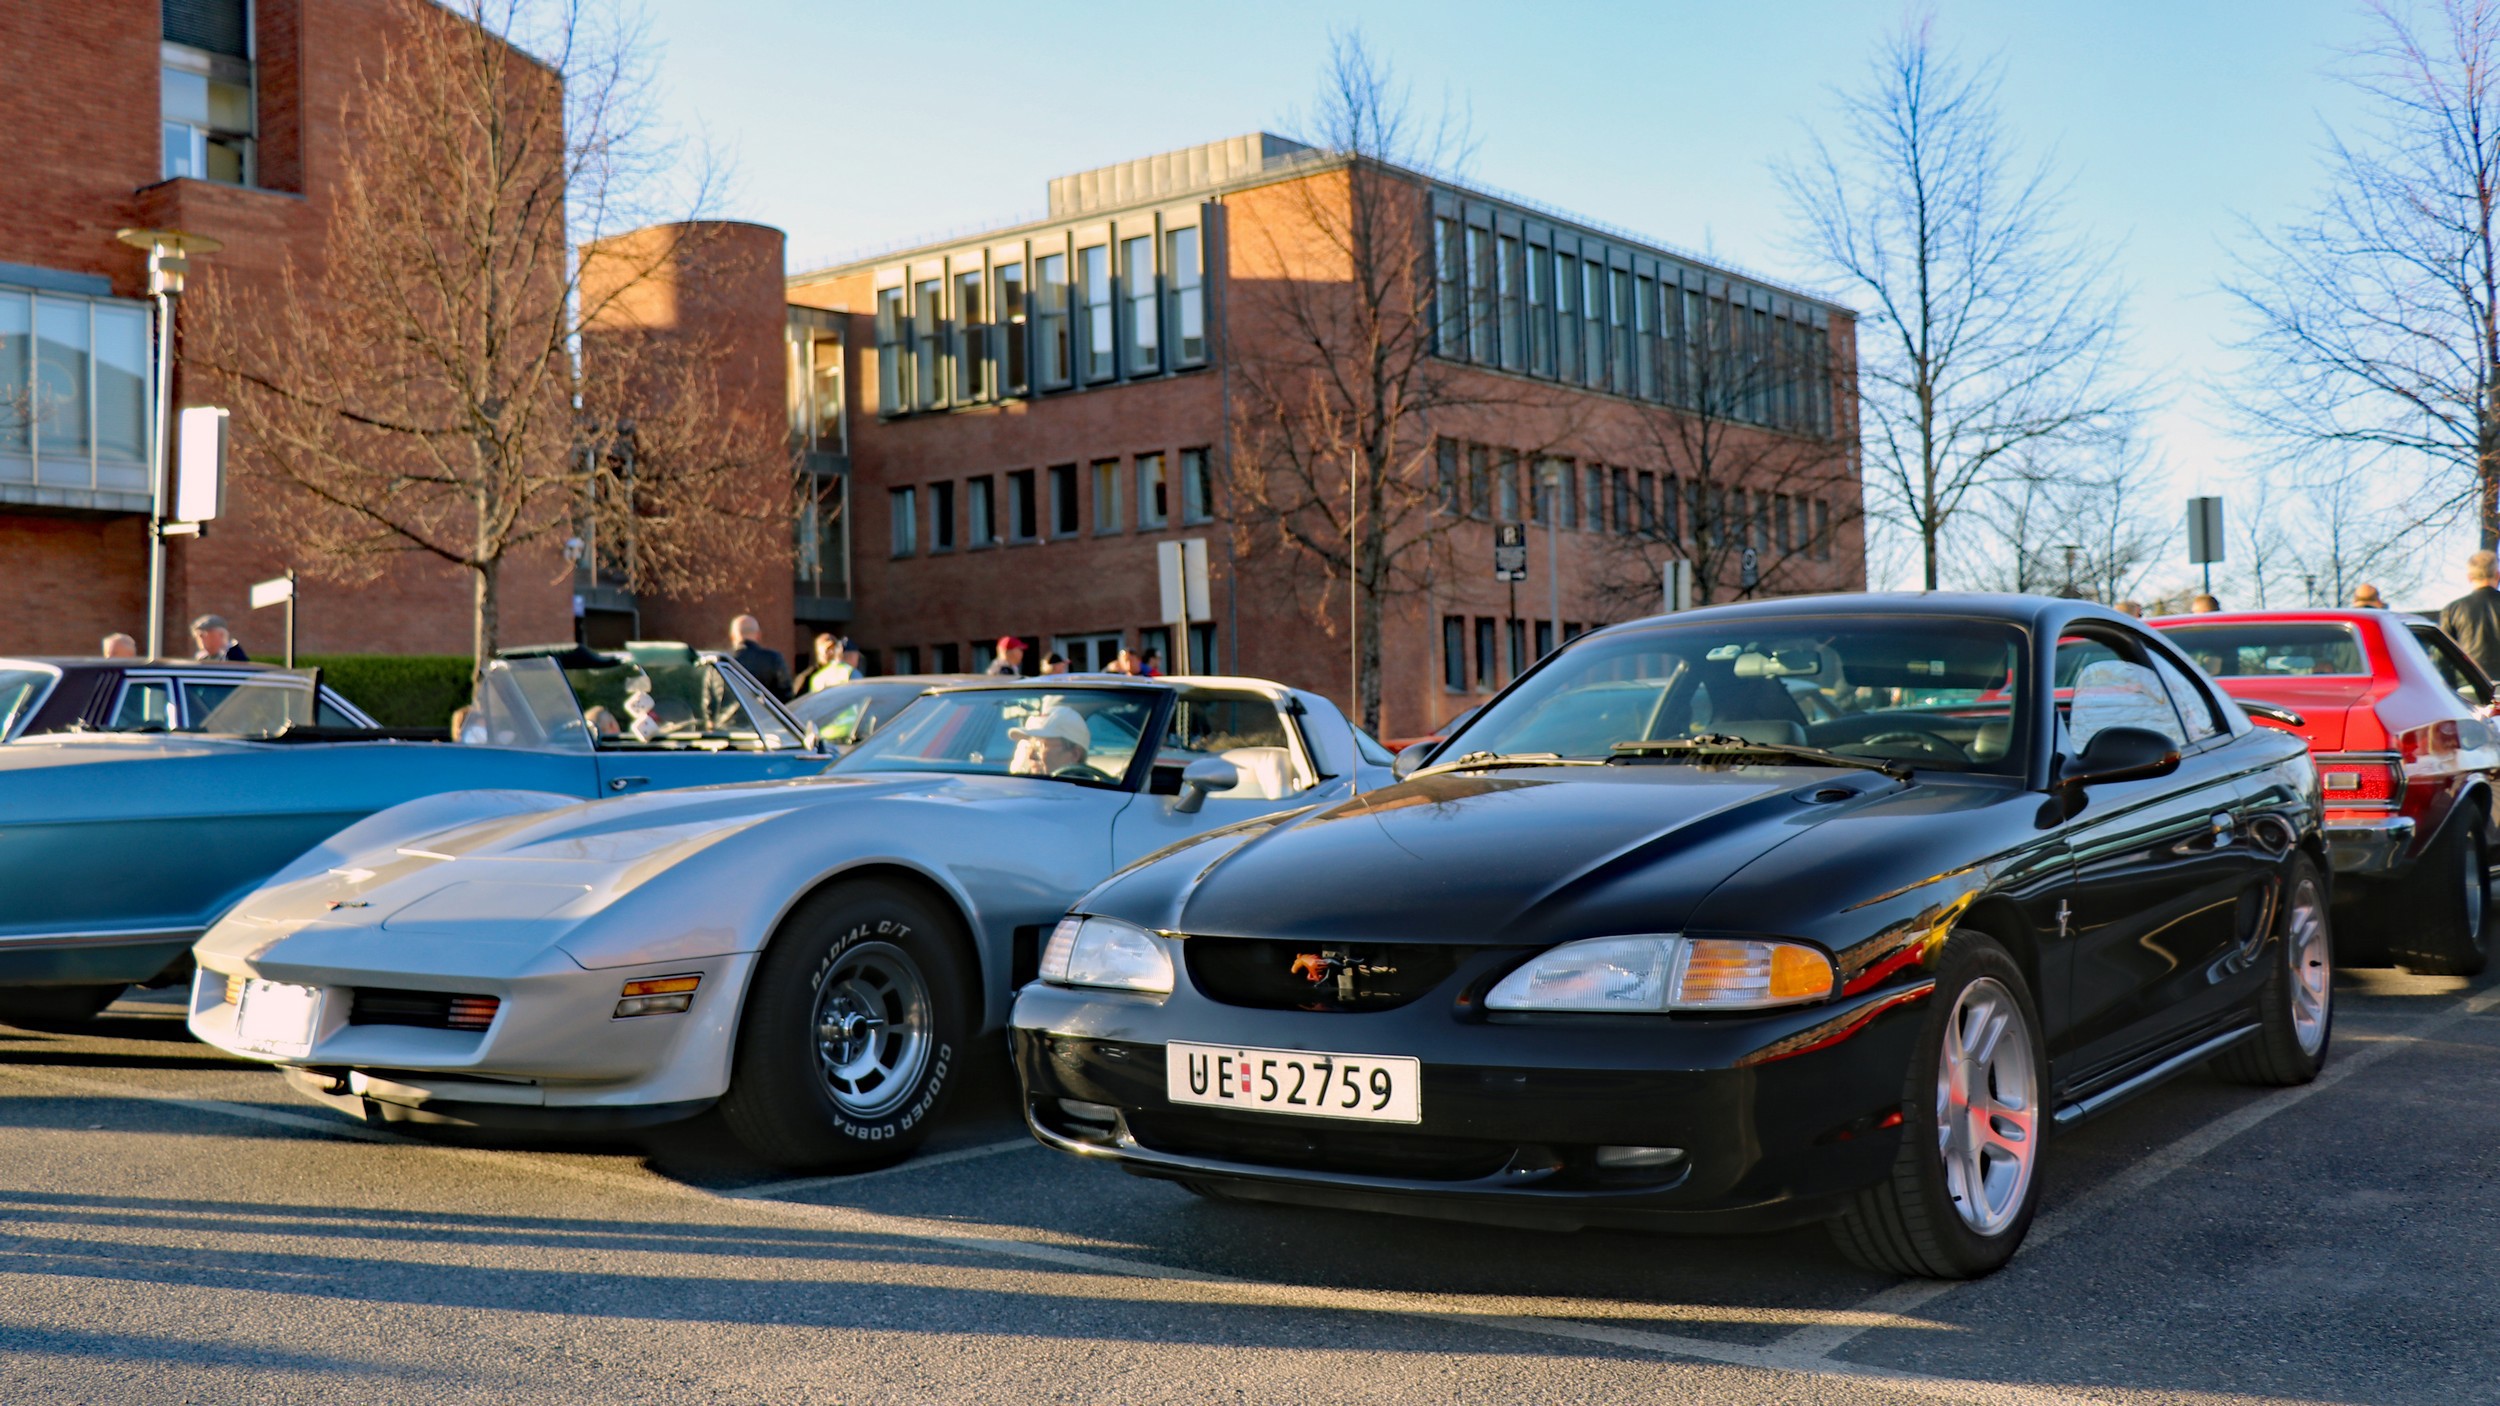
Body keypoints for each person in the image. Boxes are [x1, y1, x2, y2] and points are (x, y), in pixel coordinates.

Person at [2440, 551, 2500, 678]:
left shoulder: (2452, 610)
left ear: (2469, 577)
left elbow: (2442, 656)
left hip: (2470, 682)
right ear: (2497, 575)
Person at [1007, 705, 1091, 777]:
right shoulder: (1019, 787)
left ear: (1074, 755)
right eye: (1029, 745)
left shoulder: (1088, 790)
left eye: (1038, 745)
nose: (1030, 755)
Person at [729, 614, 792, 700]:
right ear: (758, 635)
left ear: (732, 636)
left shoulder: (723, 661)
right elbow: (786, 693)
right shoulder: (773, 658)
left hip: (733, 709)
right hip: (765, 708)